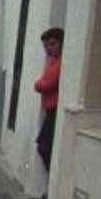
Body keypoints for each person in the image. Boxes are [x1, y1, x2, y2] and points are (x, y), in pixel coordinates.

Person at [34, 27, 63, 172]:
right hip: (50, 110)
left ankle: (53, 183)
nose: (49, 48)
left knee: (44, 146)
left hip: (55, 111)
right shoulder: (53, 62)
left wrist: (38, 84)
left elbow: (48, 83)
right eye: (46, 45)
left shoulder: (60, 63)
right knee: (44, 145)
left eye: (53, 44)